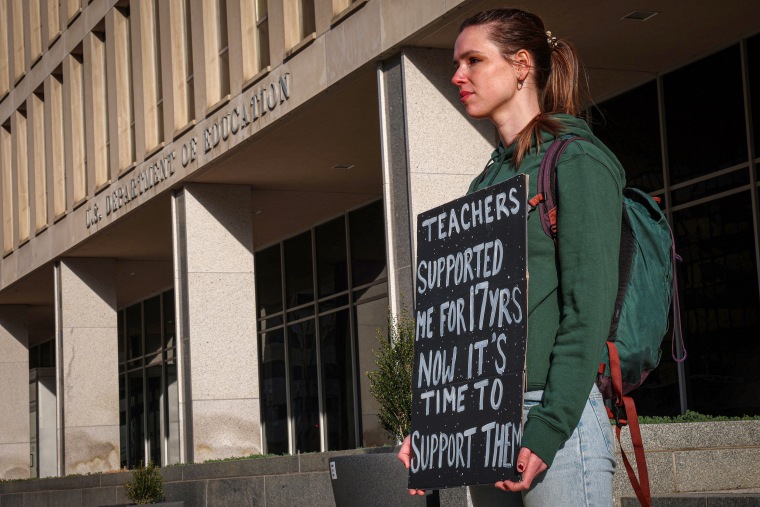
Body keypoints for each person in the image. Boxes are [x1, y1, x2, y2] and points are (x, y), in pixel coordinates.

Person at [398, 7, 623, 506]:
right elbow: (470, 316)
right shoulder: (488, 181)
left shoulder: (577, 160)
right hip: (483, 419)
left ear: (522, 65)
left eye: (473, 60)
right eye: (457, 63)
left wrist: (547, 429)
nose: (457, 75)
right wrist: (438, 425)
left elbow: (587, 312)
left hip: (553, 423)